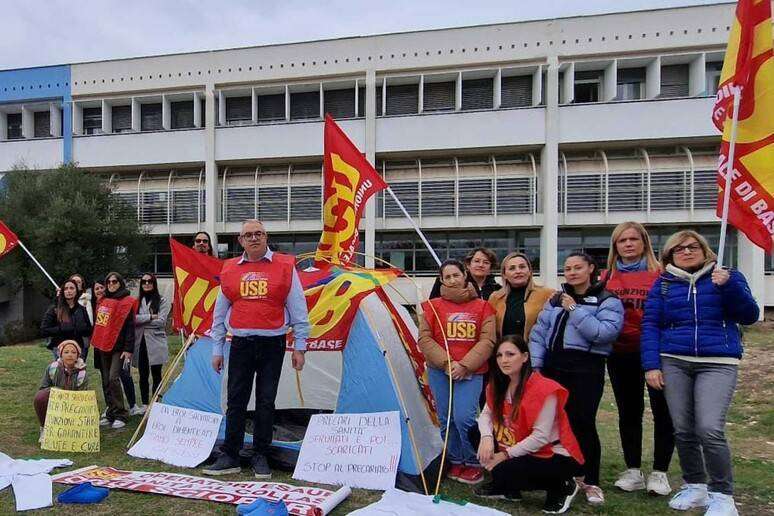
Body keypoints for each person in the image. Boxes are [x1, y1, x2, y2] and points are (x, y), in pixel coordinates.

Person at [641, 230, 758, 516]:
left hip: (718, 361)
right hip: (674, 360)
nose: (686, 251)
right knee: (683, 428)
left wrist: (728, 286)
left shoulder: (728, 277)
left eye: (693, 246)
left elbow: (749, 315)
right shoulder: (664, 283)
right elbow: (651, 324)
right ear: (670, 256)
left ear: (705, 250)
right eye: (679, 249)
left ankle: (722, 495)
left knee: (709, 428)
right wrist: (651, 365)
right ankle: (695, 485)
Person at [203, 219, 309, 479]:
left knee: (266, 400)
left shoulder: (285, 266)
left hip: (273, 344)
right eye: (248, 235)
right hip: (240, 344)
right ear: (240, 240)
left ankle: (261, 454)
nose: (254, 238)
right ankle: (231, 455)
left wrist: (300, 347)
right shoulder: (229, 269)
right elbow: (219, 313)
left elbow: (298, 308)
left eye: (258, 233)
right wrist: (217, 349)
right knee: (235, 400)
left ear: (266, 237)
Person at [529, 252, 624, 506]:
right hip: (553, 368)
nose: (571, 272)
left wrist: (573, 309)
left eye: (577, 267)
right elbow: (539, 332)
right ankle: (562, 476)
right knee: (554, 425)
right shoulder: (555, 299)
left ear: (591, 268)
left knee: (582, 424)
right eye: (568, 268)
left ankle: (590, 480)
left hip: (586, 369)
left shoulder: (607, 299)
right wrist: (536, 364)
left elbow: (603, 334)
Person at [600, 222, 674, 496]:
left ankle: (660, 472)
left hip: (656, 351)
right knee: (629, 412)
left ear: (644, 243)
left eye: (633, 239)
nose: (628, 244)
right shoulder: (606, 277)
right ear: (615, 246)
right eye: (622, 240)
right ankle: (632, 470)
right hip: (621, 352)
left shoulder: (661, 274)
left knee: (663, 411)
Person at [474, 335, 584, 514]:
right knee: (475, 433)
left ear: (525, 357)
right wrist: (486, 438)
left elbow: (540, 437)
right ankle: (510, 488)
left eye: (510, 354)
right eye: (499, 355)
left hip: (551, 453)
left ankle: (564, 485)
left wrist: (505, 455)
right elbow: (486, 414)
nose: (504, 360)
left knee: (505, 470)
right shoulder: (499, 384)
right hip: (517, 443)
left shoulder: (544, 389)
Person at [418, 259, 496, 485]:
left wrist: (465, 365)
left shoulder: (484, 306)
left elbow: (488, 340)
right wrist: (447, 363)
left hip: (471, 372)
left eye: (456, 275)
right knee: (446, 418)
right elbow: (424, 339)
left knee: (464, 418)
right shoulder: (431, 306)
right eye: (447, 277)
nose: (452, 280)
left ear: (465, 275)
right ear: (441, 280)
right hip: (440, 371)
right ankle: (454, 459)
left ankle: (472, 460)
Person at [91, 272, 136, 429]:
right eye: (108, 282)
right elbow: (100, 324)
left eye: (114, 281)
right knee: (105, 380)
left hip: (119, 347)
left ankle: (121, 413)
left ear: (120, 283)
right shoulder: (103, 301)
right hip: (103, 346)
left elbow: (130, 328)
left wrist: (128, 349)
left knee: (113, 378)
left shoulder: (127, 302)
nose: (111, 284)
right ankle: (111, 411)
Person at [488, 252, 554, 341]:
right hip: (503, 348)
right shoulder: (495, 298)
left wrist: (571, 307)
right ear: (504, 275)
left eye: (522, 267)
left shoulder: (547, 294)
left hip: (534, 348)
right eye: (512, 268)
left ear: (529, 271)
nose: (518, 271)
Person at [33, 340, 89, 442]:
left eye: (73, 352)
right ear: (61, 354)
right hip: (55, 402)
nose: (70, 355)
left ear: (78, 356)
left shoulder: (82, 373)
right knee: (40, 397)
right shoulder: (52, 368)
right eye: (66, 352)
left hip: (73, 404)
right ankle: (44, 428)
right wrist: (56, 392)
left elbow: (84, 395)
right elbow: (43, 388)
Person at [132, 273, 170, 412]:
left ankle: (156, 403)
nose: (147, 284)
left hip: (156, 341)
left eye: (150, 281)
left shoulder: (162, 300)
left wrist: (142, 320)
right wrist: (150, 316)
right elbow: (133, 319)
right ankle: (144, 404)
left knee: (156, 374)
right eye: (144, 281)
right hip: (141, 341)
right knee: (143, 374)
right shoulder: (136, 301)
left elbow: (161, 321)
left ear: (154, 283)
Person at [40, 279, 92, 360]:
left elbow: (89, 329)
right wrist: (61, 328)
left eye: (72, 288)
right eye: (66, 289)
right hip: (60, 347)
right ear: (62, 292)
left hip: (77, 347)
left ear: (76, 291)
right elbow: (44, 330)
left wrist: (81, 328)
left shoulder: (82, 309)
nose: (69, 291)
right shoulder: (55, 309)